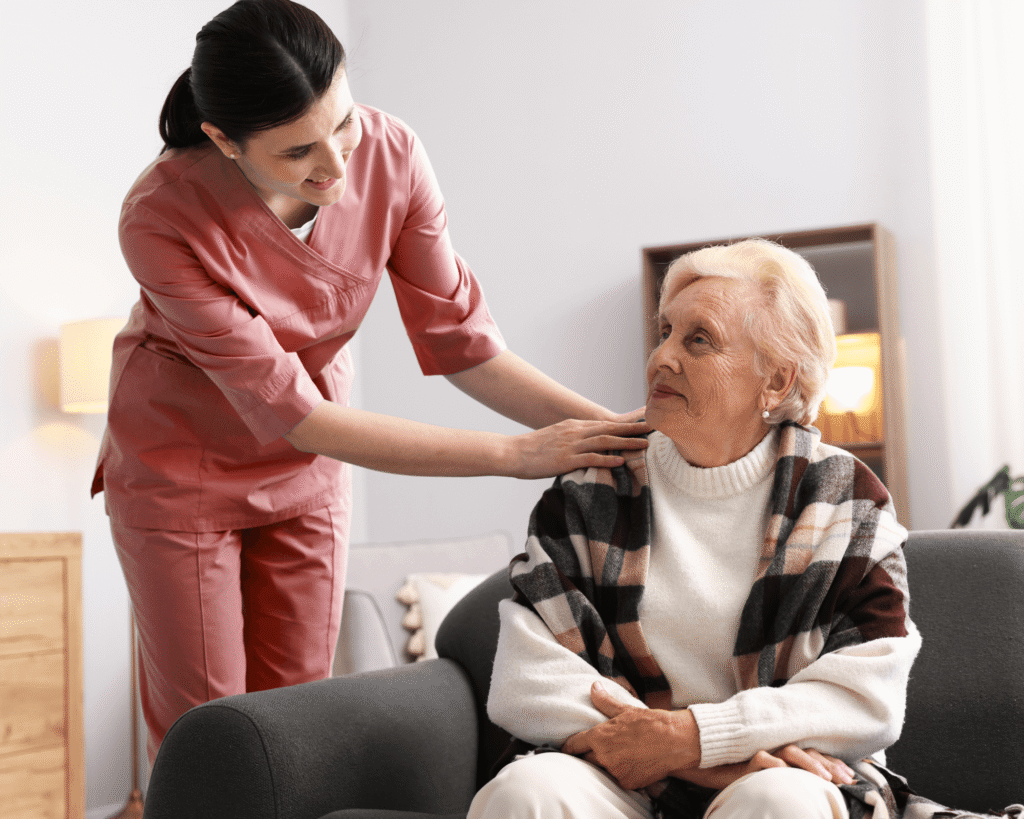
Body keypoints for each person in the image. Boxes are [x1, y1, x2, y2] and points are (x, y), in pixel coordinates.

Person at [92, 0, 648, 763]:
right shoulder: (159, 216)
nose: (337, 166)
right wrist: (520, 454)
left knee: (294, 719)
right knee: (210, 729)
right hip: (182, 466)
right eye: (297, 153)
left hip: (307, 470)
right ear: (224, 140)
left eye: (343, 124)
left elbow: (466, 346)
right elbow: (299, 416)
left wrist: (624, 436)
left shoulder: (393, 153)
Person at [469, 238, 925, 819]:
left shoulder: (845, 496)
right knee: (525, 791)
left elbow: (868, 696)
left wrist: (699, 735)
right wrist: (686, 756)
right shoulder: (593, 487)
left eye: (698, 340)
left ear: (778, 383)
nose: (661, 357)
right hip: (618, 772)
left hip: (784, 771)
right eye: (664, 332)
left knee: (778, 800)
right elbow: (528, 679)